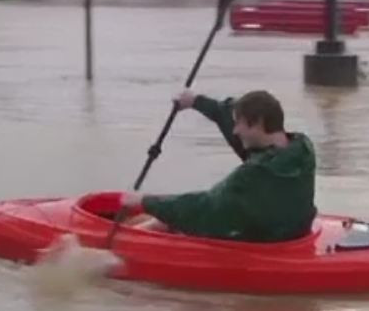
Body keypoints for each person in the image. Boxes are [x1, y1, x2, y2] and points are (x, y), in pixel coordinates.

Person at [120, 89, 317, 243]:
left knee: (166, 221)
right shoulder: (301, 148)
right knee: (165, 215)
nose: (235, 130)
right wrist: (195, 101)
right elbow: (228, 116)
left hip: (265, 241)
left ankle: (123, 240)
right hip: (296, 232)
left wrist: (145, 201)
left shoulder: (254, 173)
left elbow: (206, 206)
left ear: (257, 123)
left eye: (239, 123)